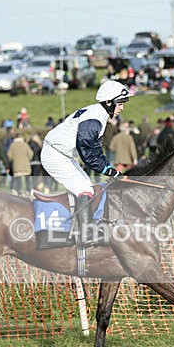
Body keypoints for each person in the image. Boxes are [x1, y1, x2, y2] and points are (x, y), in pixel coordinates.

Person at [41, 79, 131, 245]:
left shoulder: (99, 115)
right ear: (109, 102)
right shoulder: (94, 120)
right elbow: (89, 156)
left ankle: (84, 226)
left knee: (87, 188)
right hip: (54, 154)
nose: (121, 108)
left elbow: (96, 152)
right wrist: (112, 172)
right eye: (119, 104)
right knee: (84, 190)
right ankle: (85, 234)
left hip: (62, 154)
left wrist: (112, 171)